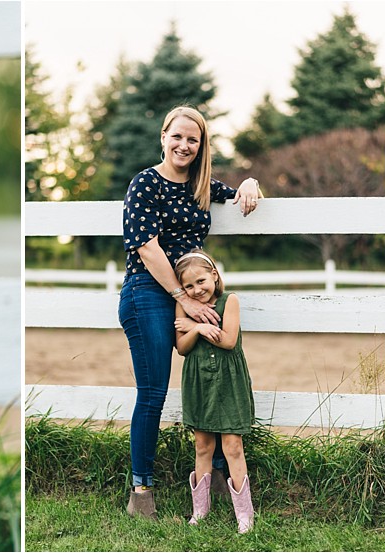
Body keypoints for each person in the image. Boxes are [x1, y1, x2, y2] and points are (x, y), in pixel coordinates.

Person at [118, 105, 262, 519]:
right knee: (154, 391)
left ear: (201, 147)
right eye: (177, 136)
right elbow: (147, 247)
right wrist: (184, 300)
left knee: (209, 377)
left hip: (192, 295)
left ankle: (217, 473)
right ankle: (141, 488)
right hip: (149, 291)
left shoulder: (201, 188)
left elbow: (236, 194)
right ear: (163, 136)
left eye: (193, 140)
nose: (184, 145)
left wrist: (250, 182)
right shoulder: (145, 183)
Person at [173, 249, 255, 533]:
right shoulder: (182, 306)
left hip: (227, 381)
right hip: (199, 381)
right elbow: (182, 348)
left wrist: (196, 325)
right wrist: (195, 331)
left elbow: (229, 340)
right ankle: (200, 510)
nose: (196, 290)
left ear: (214, 276)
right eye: (188, 286)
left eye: (201, 281)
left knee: (232, 446)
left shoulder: (229, 301)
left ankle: (244, 515)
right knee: (202, 446)